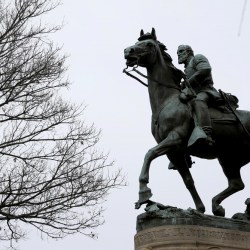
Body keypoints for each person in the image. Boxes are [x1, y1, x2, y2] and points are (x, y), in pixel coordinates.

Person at [177, 45, 221, 147]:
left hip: (206, 91)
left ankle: (206, 134)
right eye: (177, 53)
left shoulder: (197, 58)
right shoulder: (185, 70)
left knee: (198, 100)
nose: (178, 54)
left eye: (181, 51)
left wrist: (187, 83)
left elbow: (205, 70)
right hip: (192, 94)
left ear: (189, 52)